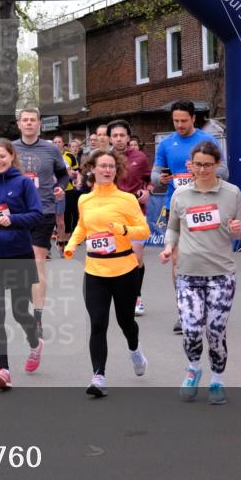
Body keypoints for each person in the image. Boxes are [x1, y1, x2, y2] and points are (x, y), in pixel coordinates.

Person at [160, 141, 241, 405]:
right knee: (191, 329)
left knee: (216, 331)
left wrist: (237, 230)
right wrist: (168, 247)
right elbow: (173, 228)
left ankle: (217, 380)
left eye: (208, 165)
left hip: (221, 274)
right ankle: (194, 368)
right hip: (188, 274)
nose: (202, 170)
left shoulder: (232, 193)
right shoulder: (180, 194)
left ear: (217, 165)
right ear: (191, 165)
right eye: (198, 164)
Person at [64, 149, 150, 397]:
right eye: (102, 166)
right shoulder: (84, 200)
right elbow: (82, 226)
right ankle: (98, 376)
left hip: (124, 270)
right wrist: (71, 244)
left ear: (117, 170)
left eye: (111, 166)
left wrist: (123, 230)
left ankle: (135, 350)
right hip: (95, 271)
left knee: (126, 322)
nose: (107, 170)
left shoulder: (127, 199)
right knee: (98, 323)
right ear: (92, 169)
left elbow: (143, 231)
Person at [0, 139, 44, 390]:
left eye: (2, 156)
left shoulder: (23, 183)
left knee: (19, 312)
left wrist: (12, 220)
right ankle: (3, 370)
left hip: (19, 255)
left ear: (12, 156)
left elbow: (37, 215)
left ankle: (35, 343)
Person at [151, 100, 224, 334]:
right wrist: (160, 179)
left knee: (205, 258)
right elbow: (155, 174)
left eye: (184, 120)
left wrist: (200, 171)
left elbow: (224, 172)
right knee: (178, 260)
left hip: (204, 205)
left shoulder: (207, 141)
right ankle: (185, 311)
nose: (179, 125)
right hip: (177, 206)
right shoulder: (167, 143)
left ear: (193, 118)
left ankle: (208, 305)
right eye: (176, 121)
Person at [13, 108, 69, 336]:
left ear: (39, 124)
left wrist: (60, 187)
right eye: (25, 120)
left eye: (32, 120)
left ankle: (37, 318)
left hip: (43, 210)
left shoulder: (50, 149)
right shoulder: (10, 149)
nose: (29, 123)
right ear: (19, 124)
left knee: (38, 263)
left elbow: (63, 174)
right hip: (16, 213)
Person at [109, 120, 152, 316]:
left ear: (128, 137)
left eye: (122, 135)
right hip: (112, 214)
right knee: (117, 257)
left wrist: (148, 191)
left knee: (136, 256)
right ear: (110, 138)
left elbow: (149, 180)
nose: (118, 139)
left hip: (136, 213)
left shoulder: (140, 158)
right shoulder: (104, 158)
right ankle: (120, 295)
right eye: (115, 135)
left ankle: (136, 297)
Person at [51, 136, 70, 251]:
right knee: (46, 221)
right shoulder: (43, 157)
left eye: (59, 142)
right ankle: (46, 249)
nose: (56, 144)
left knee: (60, 222)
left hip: (58, 192)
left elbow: (67, 175)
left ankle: (61, 241)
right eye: (54, 142)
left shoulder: (61, 159)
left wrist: (61, 185)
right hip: (45, 194)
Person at [63, 139, 82, 239]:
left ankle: (75, 231)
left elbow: (78, 173)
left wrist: (78, 182)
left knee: (76, 211)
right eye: (73, 147)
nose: (75, 148)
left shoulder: (81, 158)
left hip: (78, 188)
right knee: (67, 211)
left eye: (76, 147)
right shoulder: (66, 157)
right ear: (69, 148)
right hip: (68, 188)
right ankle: (66, 231)